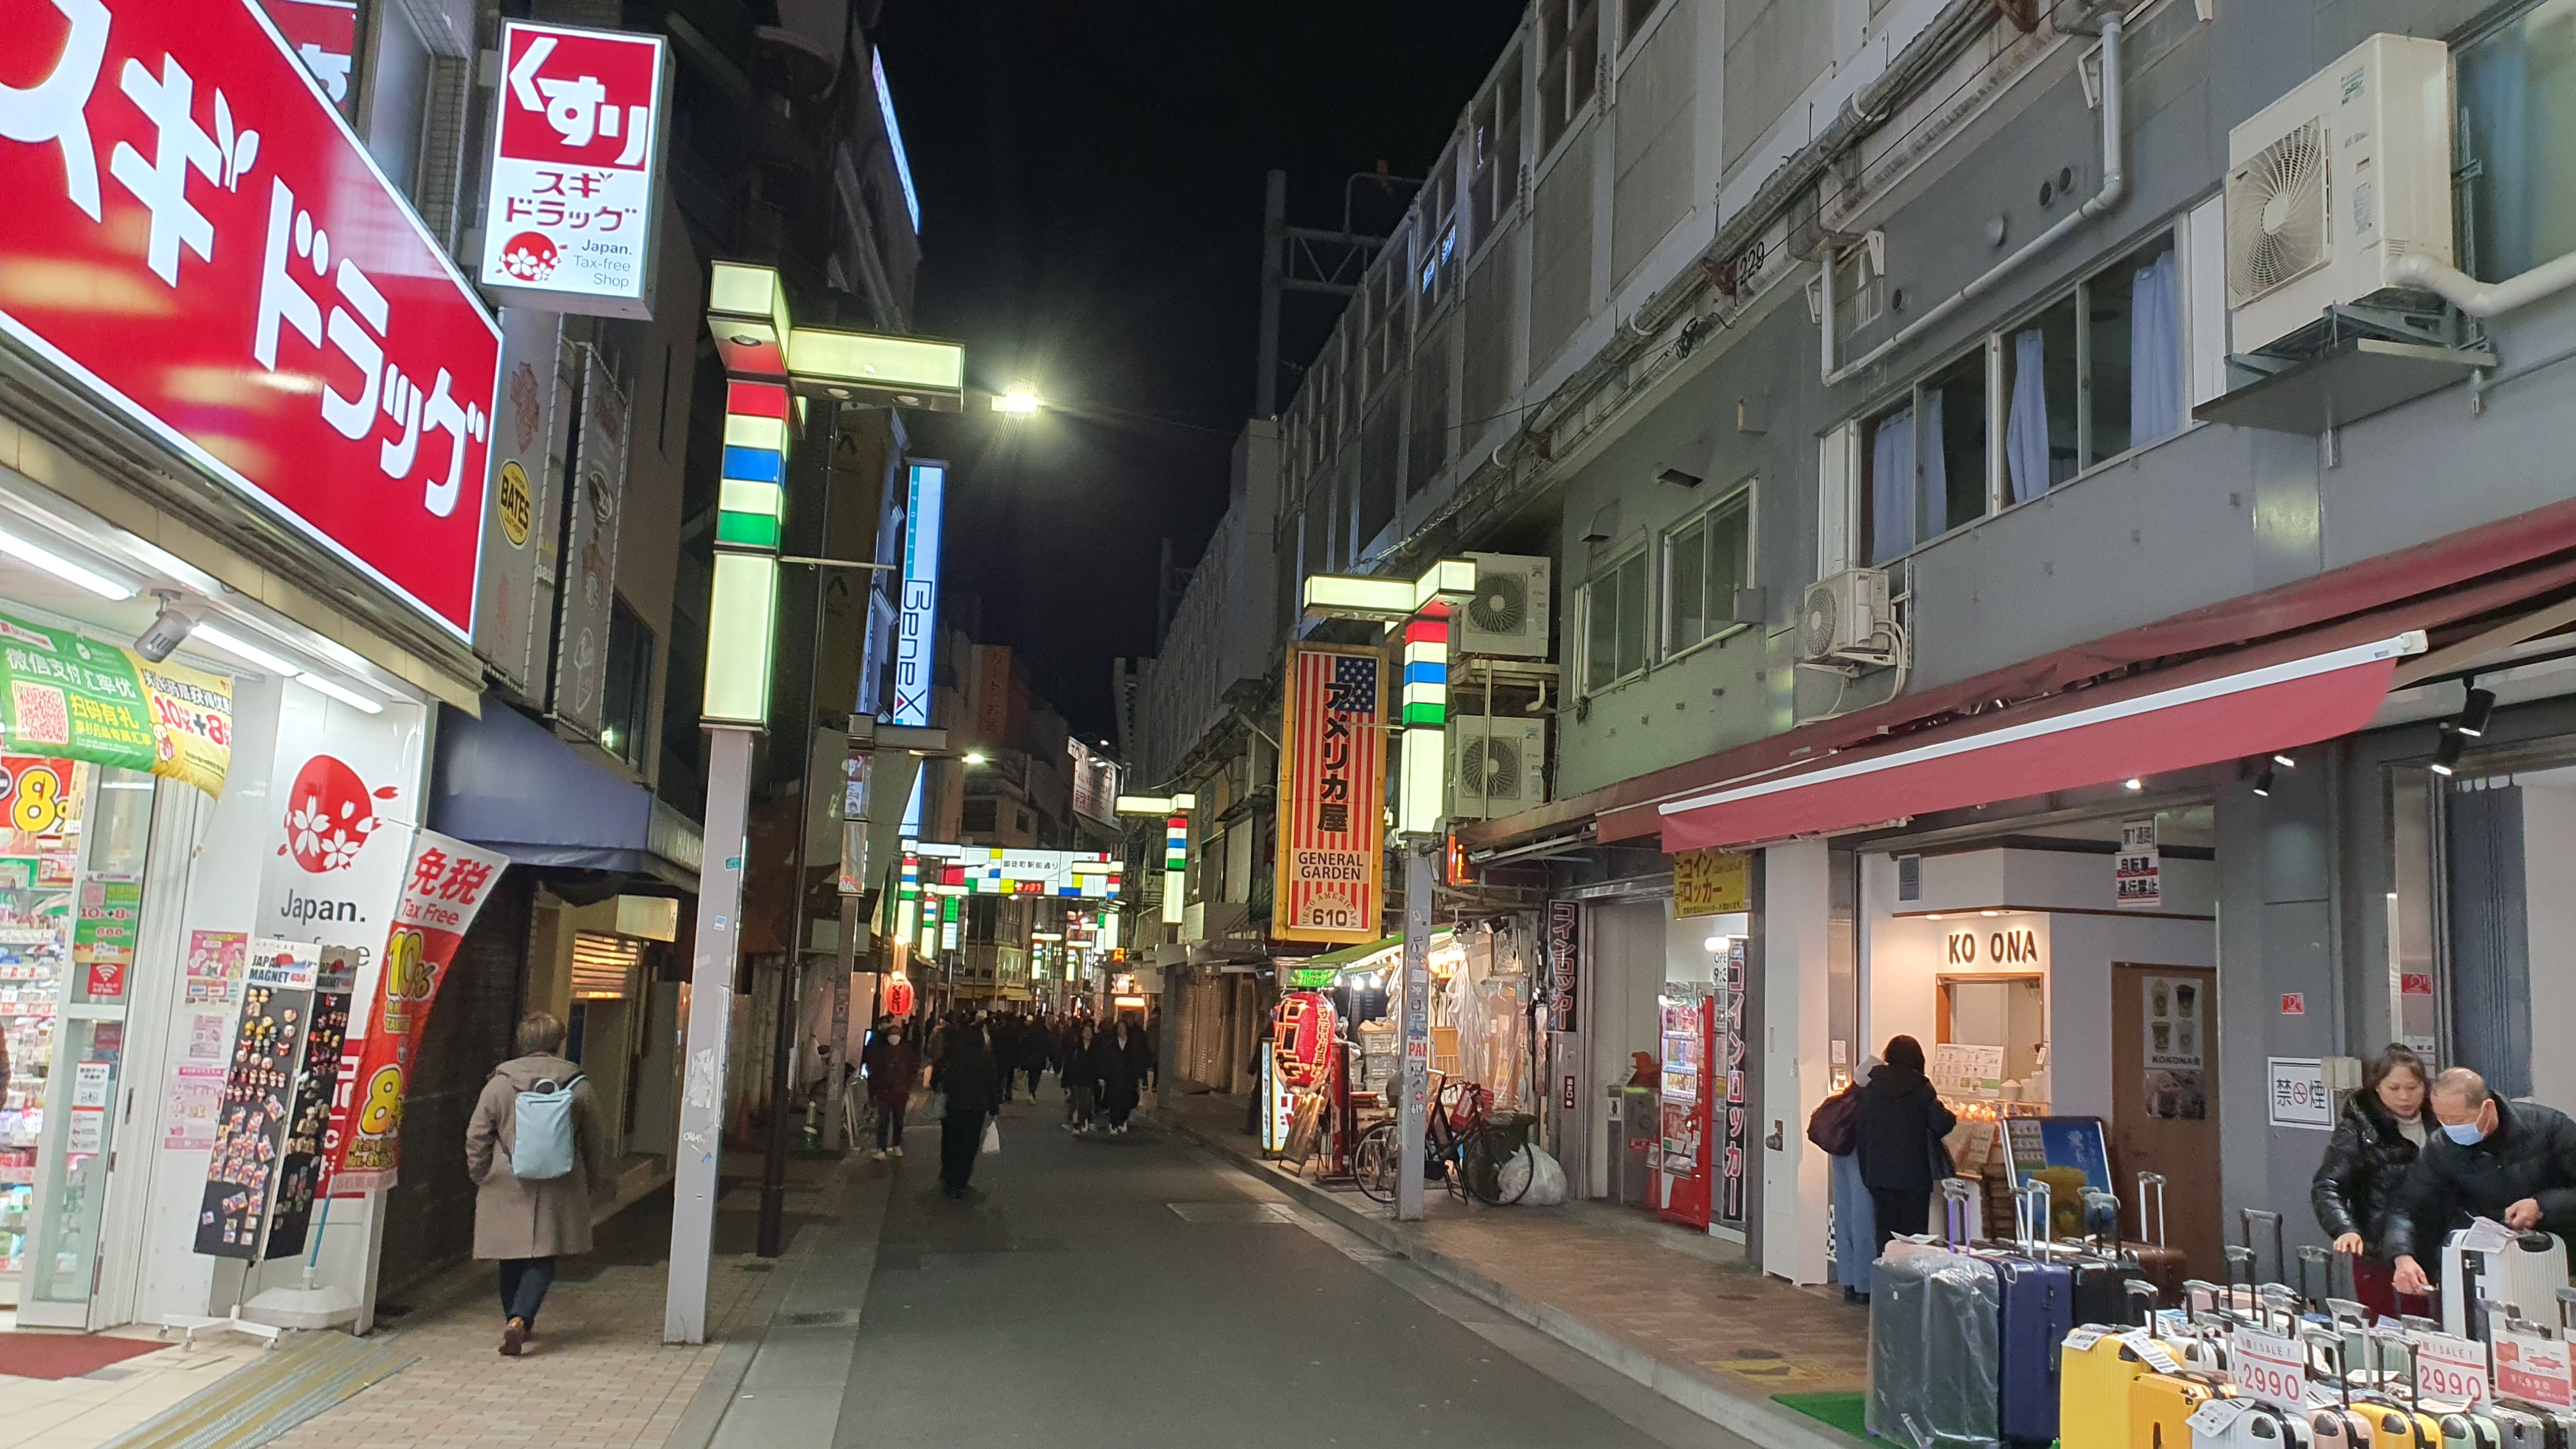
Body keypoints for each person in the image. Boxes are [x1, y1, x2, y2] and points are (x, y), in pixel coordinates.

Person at [465, 1012, 611, 1358]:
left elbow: (477, 1136)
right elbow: (595, 1140)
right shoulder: (578, 1085)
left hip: (507, 1180)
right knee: (544, 1255)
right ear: (558, 1042)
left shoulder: (500, 1084)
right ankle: (520, 1319)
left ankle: (514, 1321)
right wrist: (596, 1180)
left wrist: (481, 1173)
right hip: (560, 1182)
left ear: (522, 1043)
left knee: (510, 1256)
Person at [2389, 1068, 2576, 1297]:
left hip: (2564, 1263)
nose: (2451, 1128)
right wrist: (2402, 1256)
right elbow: (2406, 1207)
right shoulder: (2441, 1147)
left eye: (2458, 1120)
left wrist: (2542, 1206)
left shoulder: (2549, 1127)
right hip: (2491, 1272)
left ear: (2488, 1108)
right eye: (2442, 1119)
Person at [2312, 1045, 2431, 1317]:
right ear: (2377, 1088)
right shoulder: (2358, 1128)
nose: (2404, 1096)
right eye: (2394, 1088)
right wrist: (2344, 1228)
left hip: (2436, 1249)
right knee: (2393, 1328)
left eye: (2412, 1087)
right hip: (2379, 1251)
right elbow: (2328, 1185)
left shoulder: (2441, 1121)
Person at [1852, 1035, 1957, 1256]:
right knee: (1914, 1239)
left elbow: (1861, 1128)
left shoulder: (1872, 1088)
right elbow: (1941, 1123)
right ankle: (1909, 1277)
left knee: (1886, 1237)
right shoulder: (1921, 1088)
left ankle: (1887, 1275)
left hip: (1879, 1174)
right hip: (1914, 1177)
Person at [935, 1015, 1002, 1198]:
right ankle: (962, 1181)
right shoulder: (986, 1058)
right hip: (976, 1108)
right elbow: (992, 1084)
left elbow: (938, 1075)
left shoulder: (953, 1054)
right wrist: (994, 1109)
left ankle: (949, 1176)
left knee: (951, 1141)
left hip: (953, 1105)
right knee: (969, 1145)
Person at [861, 1018, 918, 1160]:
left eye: (897, 1035)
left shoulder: (906, 1051)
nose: (894, 1038)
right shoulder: (880, 1052)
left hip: (900, 1092)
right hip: (884, 1092)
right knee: (883, 1121)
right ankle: (882, 1148)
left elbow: (913, 1070)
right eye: (892, 1035)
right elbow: (874, 1072)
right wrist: (873, 1092)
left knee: (899, 1120)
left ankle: (896, 1144)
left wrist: (907, 1085)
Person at [1094, 1019, 1143, 1134]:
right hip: (1114, 1078)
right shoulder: (1111, 1045)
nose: (1121, 1030)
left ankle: (1122, 1120)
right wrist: (1102, 1077)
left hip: (1128, 1079)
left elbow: (1137, 1062)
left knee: (1126, 1102)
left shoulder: (1132, 1045)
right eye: (1119, 1028)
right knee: (1115, 1102)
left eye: (1123, 1027)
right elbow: (1105, 1062)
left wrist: (1140, 1079)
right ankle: (1114, 1123)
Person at [1061, 1022, 1099, 1132]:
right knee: (1076, 1101)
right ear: (1082, 1033)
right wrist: (1067, 1080)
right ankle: (1075, 1123)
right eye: (1085, 1031)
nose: (1088, 1033)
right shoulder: (1076, 1047)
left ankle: (1083, 1121)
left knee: (1087, 1102)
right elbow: (1069, 1063)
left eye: (1090, 1031)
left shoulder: (1096, 1047)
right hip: (1076, 1078)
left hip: (1089, 1078)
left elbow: (1099, 1063)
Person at [1016, 1018, 1052, 1102]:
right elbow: (1048, 1044)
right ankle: (1032, 1091)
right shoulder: (1045, 1031)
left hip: (1030, 1057)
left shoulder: (1029, 1030)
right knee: (1037, 1076)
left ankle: (1031, 1091)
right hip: (1040, 1057)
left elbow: (1023, 1042)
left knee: (1031, 1075)